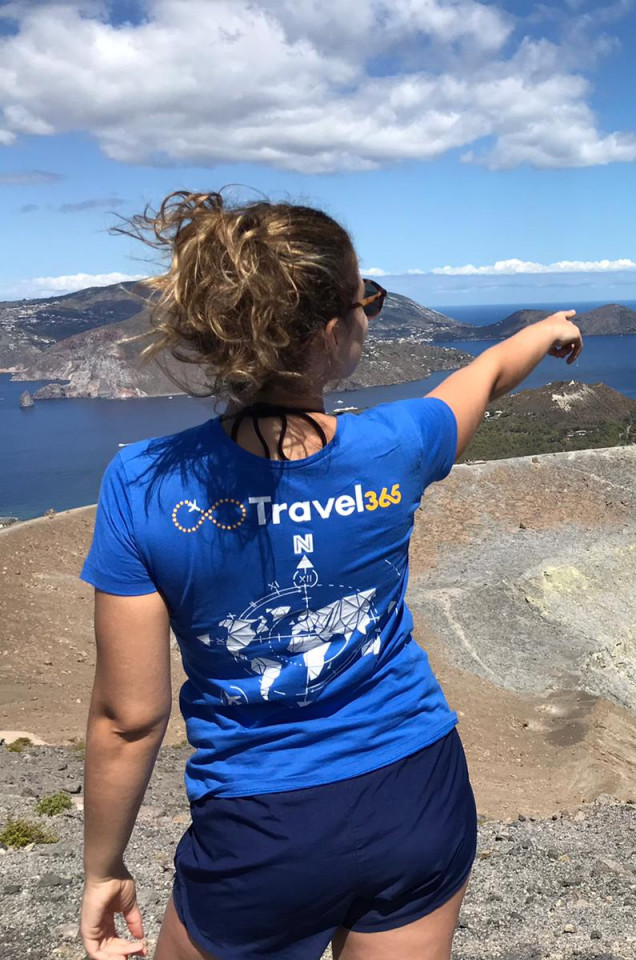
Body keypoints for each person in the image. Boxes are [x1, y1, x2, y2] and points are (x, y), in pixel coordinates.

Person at [77, 190, 583, 960]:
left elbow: (129, 719)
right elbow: (484, 375)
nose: (370, 315)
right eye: (365, 300)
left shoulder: (144, 485)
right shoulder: (399, 443)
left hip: (262, 827)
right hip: (419, 792)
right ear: (332, 328)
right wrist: (547, 332)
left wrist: (103, 867)